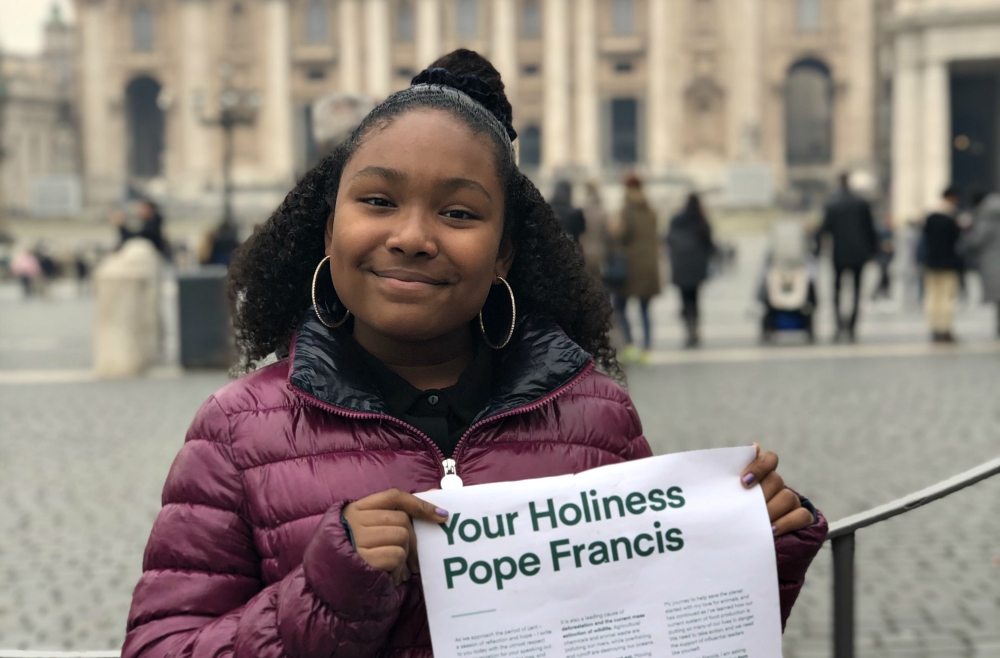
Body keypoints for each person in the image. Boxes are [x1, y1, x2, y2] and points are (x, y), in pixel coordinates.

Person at [122, 50, 827, 658]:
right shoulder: (235, 432)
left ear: (504, 255)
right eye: (376, 201)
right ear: (327, 230)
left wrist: (749, 557)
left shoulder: (598, 416)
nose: (412, 236)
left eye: (459, 213)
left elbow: (649, 632)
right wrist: (326, 594)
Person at [816, 173, 877, 341]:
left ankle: (838, 325)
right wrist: (873, 252)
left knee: (836, 291)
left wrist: (817, 250)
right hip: (859, 253)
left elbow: (824, 229)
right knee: (857, 291)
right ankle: (852, 326)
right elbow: (870, 229)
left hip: (839, 254)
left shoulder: (832, 204)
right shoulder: (861, 202)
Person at [612, 174, 661, 363]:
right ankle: (647, 349)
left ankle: (631, 344)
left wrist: (613, 227)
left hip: (630, 266)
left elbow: (622, 235)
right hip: (648, 266)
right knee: (645, 309)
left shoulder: (627, 210)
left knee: (621, 306)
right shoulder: (651, 210)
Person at [667, 193, 716, 348]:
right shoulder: (701, 222)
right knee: (695, 299)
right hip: (697, 267)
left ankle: (688, 329)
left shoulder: (676, 220)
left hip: (680, 265)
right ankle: (694, 330)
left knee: (684, 298)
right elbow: (710, 246)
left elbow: (668, 241)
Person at [922, 186, 964, 342]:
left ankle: (934, 328)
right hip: (948, 263)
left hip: (931, 262)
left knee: (932, 297)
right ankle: (945, 329)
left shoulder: (930, 217)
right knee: (946, 298)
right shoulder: (952, 219)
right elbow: (957, 242)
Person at [961, 193, 1000, 337]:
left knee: (998, 300)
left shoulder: (987, 218)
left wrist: (966, 230)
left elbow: (976, 240)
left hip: (993, 264)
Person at [579, 180, 608, 282]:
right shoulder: (603, 211)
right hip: (601, 252)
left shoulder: (582, 210)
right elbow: (606, 233)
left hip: (584, 251)